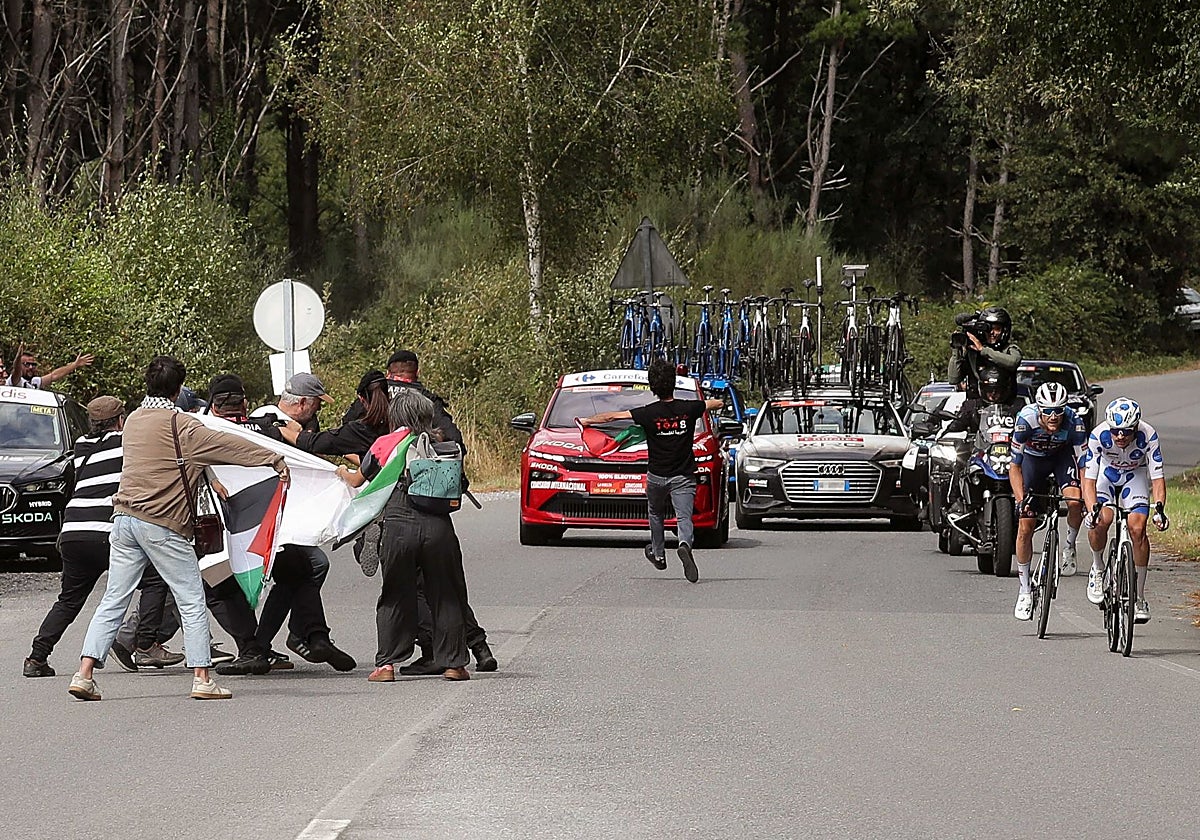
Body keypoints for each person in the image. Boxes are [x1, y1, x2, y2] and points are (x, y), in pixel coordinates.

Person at [67, 356, 290, 702]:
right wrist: (273, 458)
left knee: (113, 599)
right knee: (191, 598)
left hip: (124, 521)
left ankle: (84, 673)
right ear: (178, 389)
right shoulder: (182, 426)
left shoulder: (134, 422)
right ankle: (202, 677)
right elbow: (230, 447)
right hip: (161, 524)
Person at [204, 373, 354, 674]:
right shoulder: (265, 429)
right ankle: (311, 634)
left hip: (228, 526)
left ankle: (255, 648)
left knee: (217, 586)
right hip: (271, 525)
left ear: (214, 406)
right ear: (244, 403)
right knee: (299, 572)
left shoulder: (203, 430)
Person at [23, 397, 184, 676]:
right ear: (121, 419)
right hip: (106, 531)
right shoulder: (127, 442)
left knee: (69, 600)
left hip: (73, 532)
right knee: (155, 579)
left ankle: (37, 657)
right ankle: (145, 643)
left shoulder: (81, 447)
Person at [336, 388, 472, 682]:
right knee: (447, 594)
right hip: (439, 527)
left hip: (398, 525)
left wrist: (342, 474)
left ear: (394, 416)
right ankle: (455, 664)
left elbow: (360, 478)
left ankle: (386, 665)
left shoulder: (385, 443)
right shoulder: (443, 444)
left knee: (396, 593)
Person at [578, 356, 723, 583]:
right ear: (673, 383)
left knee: (655, 513)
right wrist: (713, 403)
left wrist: (588, 421)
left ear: (653, 387)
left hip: (657, 476)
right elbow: (716, 404)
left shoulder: (647, 413)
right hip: (683, 476)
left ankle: (659, 554)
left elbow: (612, 416)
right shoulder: (689, 408)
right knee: (684, 516)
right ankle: (684, 544)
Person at [1081, 397, 1168, 622]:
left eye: (1127, 432)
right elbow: (1088, 481)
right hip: (1106, 477)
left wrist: (1159, 509)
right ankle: (1098, 568)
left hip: (1134, 477)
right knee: (1101, 520)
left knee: (1137, 529)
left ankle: (1138, 596)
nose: (1120, 436)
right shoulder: (1098, 435)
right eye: (1116, 431)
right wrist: (1091, 510)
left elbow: (1157, 479)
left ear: (1136, 427)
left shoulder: (1148, 435)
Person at [1008, 382, 1088, 621]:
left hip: (1061, 459)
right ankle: (1024, 590)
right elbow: (1014, 467)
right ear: (1039, 409)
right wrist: (1021, 500)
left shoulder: (1074, 422)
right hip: (1032, 462)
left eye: (1059, 411)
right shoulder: (1025, 421)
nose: (1054, 417)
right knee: (1026, 524)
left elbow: (1084, 466)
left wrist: (1086, 496)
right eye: (1048, 411)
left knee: (1075, 503)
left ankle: (1069, 547)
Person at [947, 306, 1022, 399]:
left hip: (1005, 406)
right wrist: (956, 350)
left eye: (997, 329)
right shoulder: (972, 353)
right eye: (988, 329)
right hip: (975, 405)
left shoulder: (1009, 349)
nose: (992, 333)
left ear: (1004, 331)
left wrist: (983, 350)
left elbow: (1013, 361)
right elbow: (953, 379)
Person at [5, 344, 95, 389]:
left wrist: (75, 365)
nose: (31, 367)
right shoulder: (15, 382)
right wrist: (17, 358)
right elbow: (16, 371)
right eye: (27, 364)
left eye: (33, 364)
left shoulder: (34, 382)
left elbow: (54, 375)